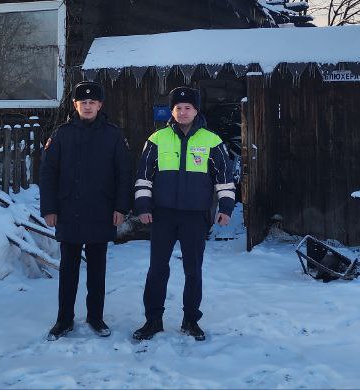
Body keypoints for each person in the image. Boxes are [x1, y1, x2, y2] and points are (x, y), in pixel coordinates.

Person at [131, 86, 236, 342]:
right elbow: (144, 177)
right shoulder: (157, 139)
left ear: (196, 110)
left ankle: (191, 320)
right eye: (178, 108)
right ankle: (153, 320)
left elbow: (224, 178)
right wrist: (143, 207)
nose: (183, 112)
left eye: (188, 107)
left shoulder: (212, 141)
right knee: (157, 269)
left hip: (195, 217)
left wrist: (225, 208)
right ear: (172, 111)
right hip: (163, 215)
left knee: (193, 270)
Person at [39, 80, 133, 340]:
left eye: (93, 102)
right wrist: (49, 208)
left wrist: (121, 207)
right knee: (68, 271)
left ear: (100, 105)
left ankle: (95, 317)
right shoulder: (62, 135)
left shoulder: (113, 135)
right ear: (75, 105)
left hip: (101, 212)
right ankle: (64, 320)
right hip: (68, 212)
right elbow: (48, 173)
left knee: (97, 271)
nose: (88, 106)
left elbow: (123, 174)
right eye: (83, 102)